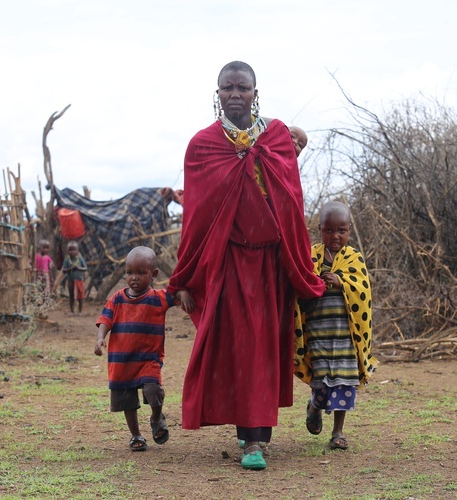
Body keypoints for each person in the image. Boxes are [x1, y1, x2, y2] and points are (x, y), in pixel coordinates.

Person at [167, 61, 325, 470]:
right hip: (230, 263)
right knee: (241, 348)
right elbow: (196, 219)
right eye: (227, 88)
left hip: (272, 262)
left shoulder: (275, 137)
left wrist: (297, 261)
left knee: (267, 346)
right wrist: (184, 277)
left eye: (243, 88)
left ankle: (258, 433)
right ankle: (250, 439)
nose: (235, 94)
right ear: (216, 92)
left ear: (256, 93)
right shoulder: (203, 146)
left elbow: (290, 199)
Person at [293, 201, 378, 450]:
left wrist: (341, 282)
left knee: (344, 382)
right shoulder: (310, 255)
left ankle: (338, 432)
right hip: (318, 332)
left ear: (349, 230)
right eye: (329, 230)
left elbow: (363, 289)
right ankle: (314, 406)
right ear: (319, 229)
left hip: (345, 334)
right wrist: (316, 283)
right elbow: (300, 285)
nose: (335, 236)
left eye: (341, 230)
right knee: (321, 381)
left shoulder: (353, 258)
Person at [94, 246, 177, 452]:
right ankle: (136, 435)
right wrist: (100, 338)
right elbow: (105, 319)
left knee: (153, 390)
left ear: (154, 274)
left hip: (148, 358)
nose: (134, 278)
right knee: (127, 400)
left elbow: (178, 293)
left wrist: (184, 295)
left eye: (141, 273)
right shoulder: (117, 298)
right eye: (130, 272)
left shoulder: (159, 298)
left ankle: (156, 418)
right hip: (122, 361)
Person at [61, 241, 87, 315]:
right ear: (67, 251)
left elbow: (85, 268)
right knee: (71, 296)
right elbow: (64, 270)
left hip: (79, 280)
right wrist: (71, 269)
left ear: (77, 251)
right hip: (70, 281)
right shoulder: (67, 260)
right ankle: (72, 311)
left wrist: (78, 268)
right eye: (70, 250)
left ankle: (80, 311)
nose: (72, 252)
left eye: (74, 249)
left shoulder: (80, 259)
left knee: (80, 297)